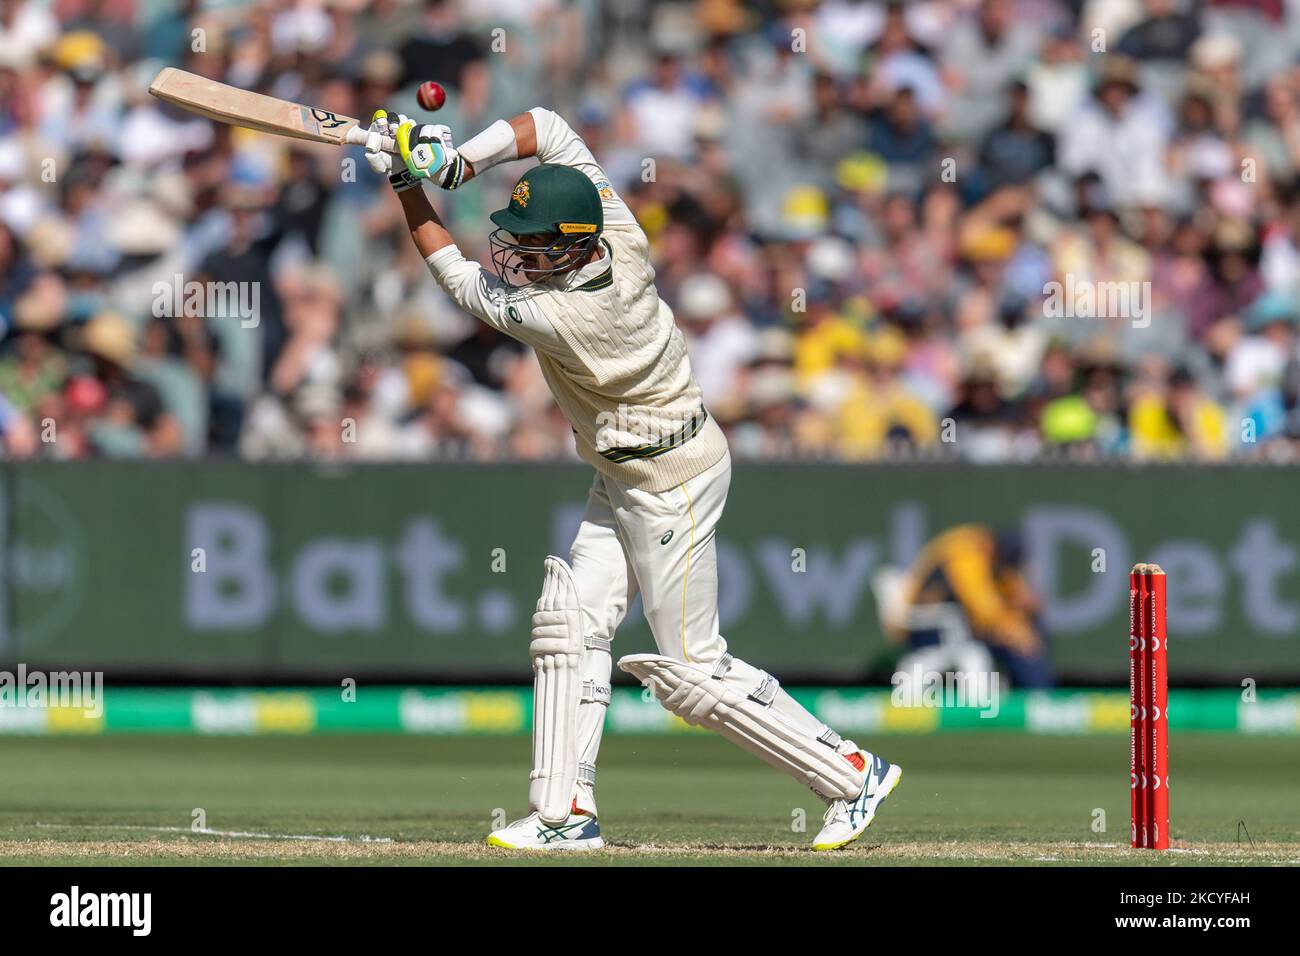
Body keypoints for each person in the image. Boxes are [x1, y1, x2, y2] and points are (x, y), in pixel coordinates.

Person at [363, 106, 902, 851]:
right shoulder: (611, 222)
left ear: (570, 251)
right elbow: (545, 123)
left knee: (690, 673)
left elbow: (456, 277)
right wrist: (454, 166)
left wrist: (403, 180)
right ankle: (563, 814)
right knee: (569, 624)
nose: (516, 254)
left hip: (669, 479)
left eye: (531, 246)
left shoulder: (567, 315)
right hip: (627, 470)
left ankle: (852, 771)